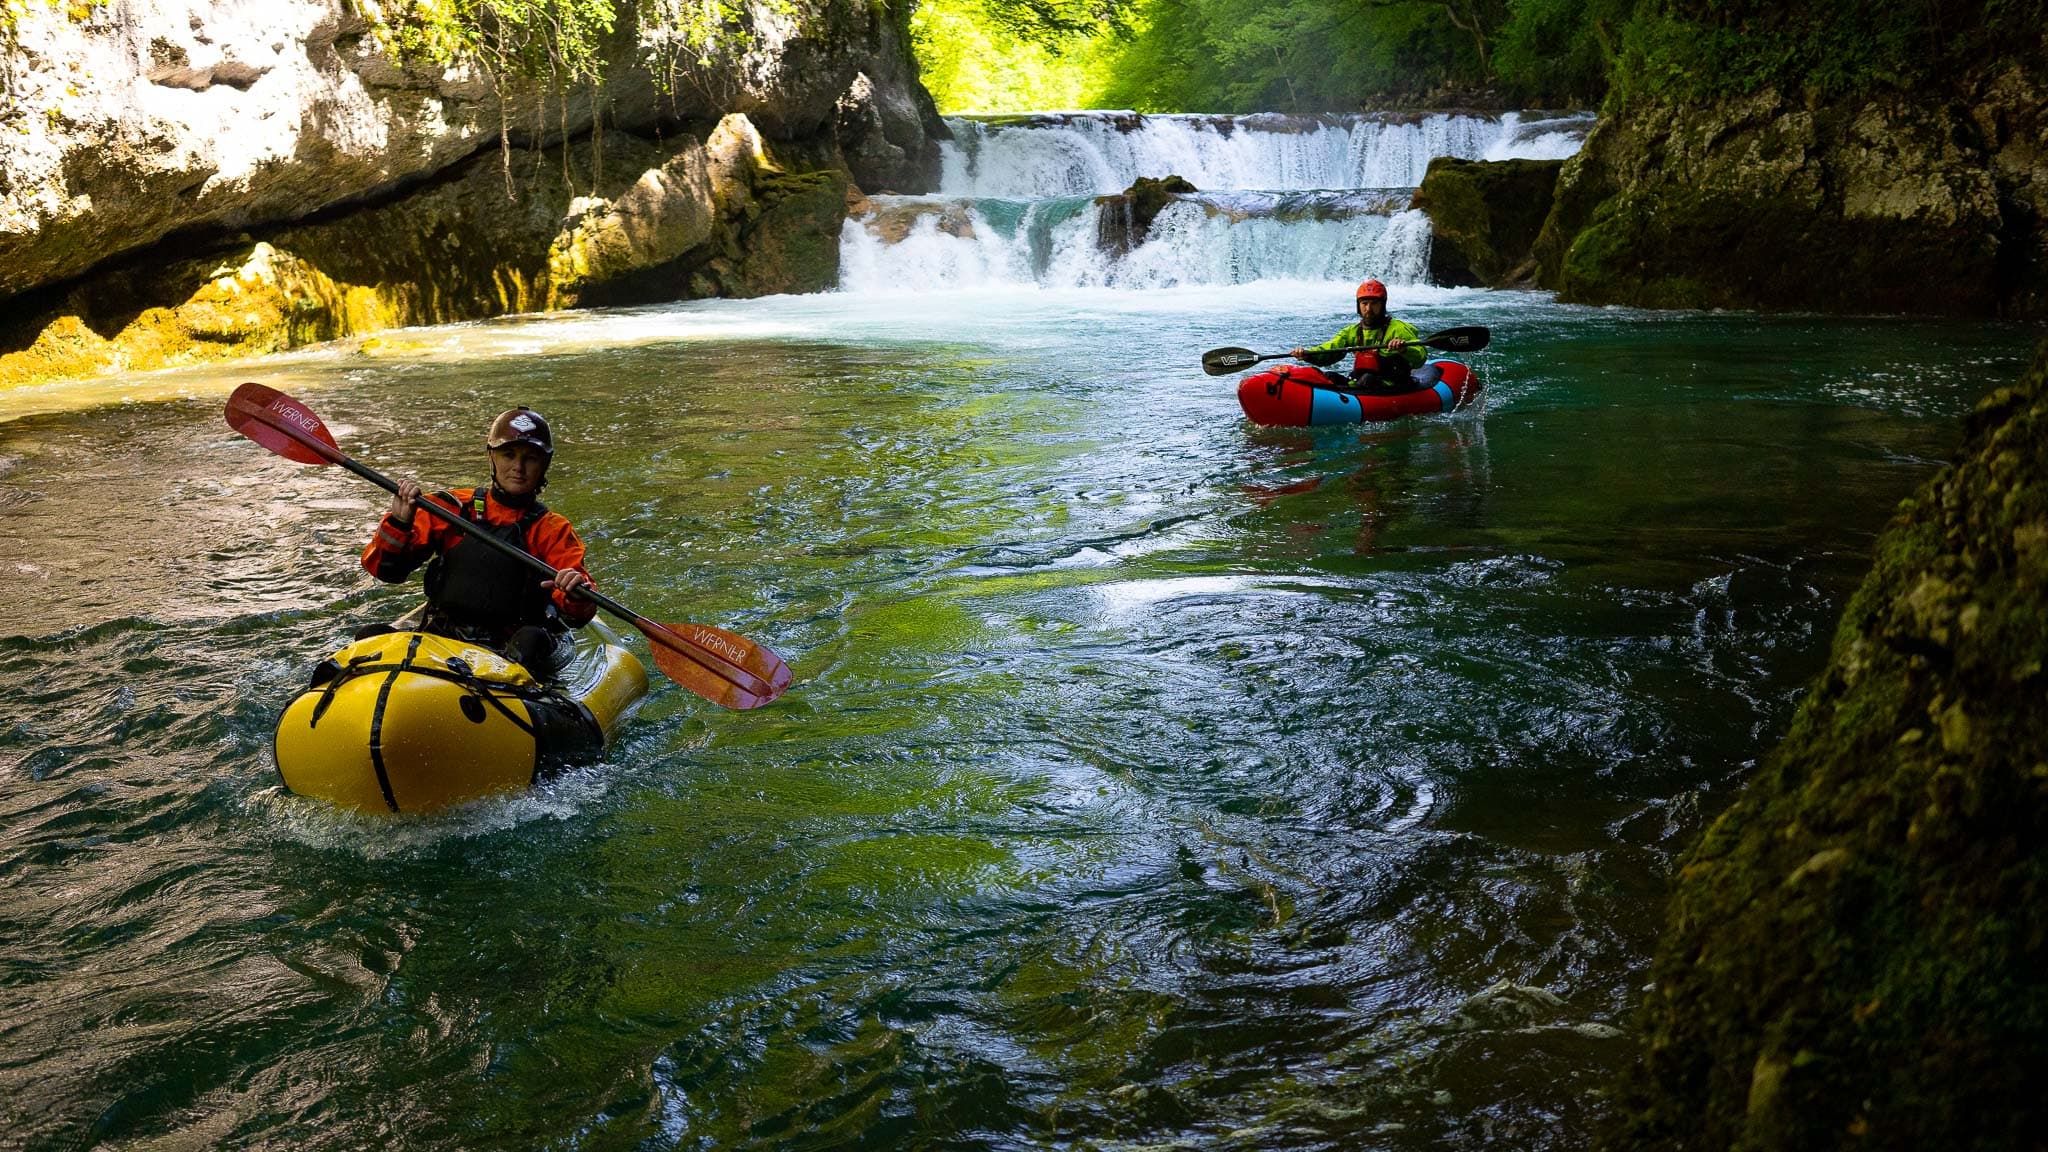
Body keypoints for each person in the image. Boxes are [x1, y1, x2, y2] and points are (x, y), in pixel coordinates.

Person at [359, 407, 596, 679]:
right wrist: (400, 523)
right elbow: (387, 571)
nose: (518, 468)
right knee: (370, 636)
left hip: (512, 645)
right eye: (509, 455)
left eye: (530, 459)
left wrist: (575, 593)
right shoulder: (453, 508)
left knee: (530, 641)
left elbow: (577, 615)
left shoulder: (552, 529)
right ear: (492, 457)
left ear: (544, 465)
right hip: (444, 635)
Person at [1289, 279, 1431, 392]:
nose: (1369, 309)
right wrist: (1307, 354)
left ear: (1383, 305)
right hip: (1359, 382)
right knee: (1329, 376)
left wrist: (1404, 349)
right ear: (1359, 305)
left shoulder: (1397, 329)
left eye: (1374, 304)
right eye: (1364, 303)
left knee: (1368, 379)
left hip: (1392, 384)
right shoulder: (1352, 331)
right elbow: (1329, 350)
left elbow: (1420, 356)